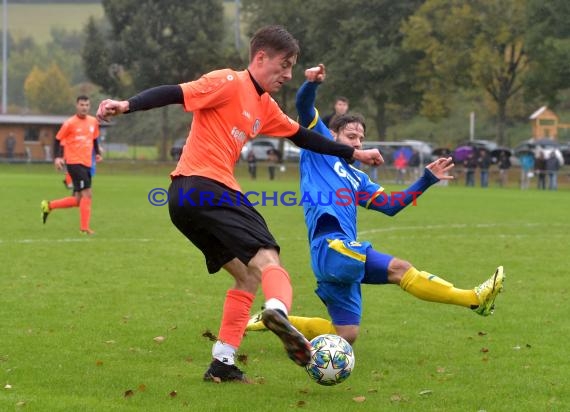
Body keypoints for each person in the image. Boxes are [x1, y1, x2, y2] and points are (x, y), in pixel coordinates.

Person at [95, 25, 382, 383]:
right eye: (284, 64)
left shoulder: (265, 105)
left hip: (183, 201)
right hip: (207, 186)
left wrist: (354, 152)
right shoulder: (229, 81)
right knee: (269, 260)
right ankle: (277, 311)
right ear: (261, 57)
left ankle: (222, 363)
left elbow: (305, 137)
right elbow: (175, 92)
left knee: (247, 275)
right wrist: (127, 105)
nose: (288, 74)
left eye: (292, 67)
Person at [247, 64, 505, 345]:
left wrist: (426, 179)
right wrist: (312, 84)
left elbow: (391, 205)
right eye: (351, 137)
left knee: (346, 334)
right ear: (333, 136)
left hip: (336, 254)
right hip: (331, 246)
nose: (358, 142)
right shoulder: (319, 147)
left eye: (360, 138)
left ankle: (273, 319)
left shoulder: (358, 178)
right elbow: (304, 106)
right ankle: (473, 299)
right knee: (400, 269)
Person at [41, 95, 102, 234]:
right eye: (81, 105)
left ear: (89, 106)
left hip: (87, 163)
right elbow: (57, 140)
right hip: (74, 163)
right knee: (88, 194)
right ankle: (84, 228)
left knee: (78, 200)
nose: (84, 107)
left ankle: (49, 206)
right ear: (77, 106)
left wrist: (97, 153)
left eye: (86, 105)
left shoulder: (93, 122)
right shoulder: (70, 123)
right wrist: (57, 157)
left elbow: (94, 139)